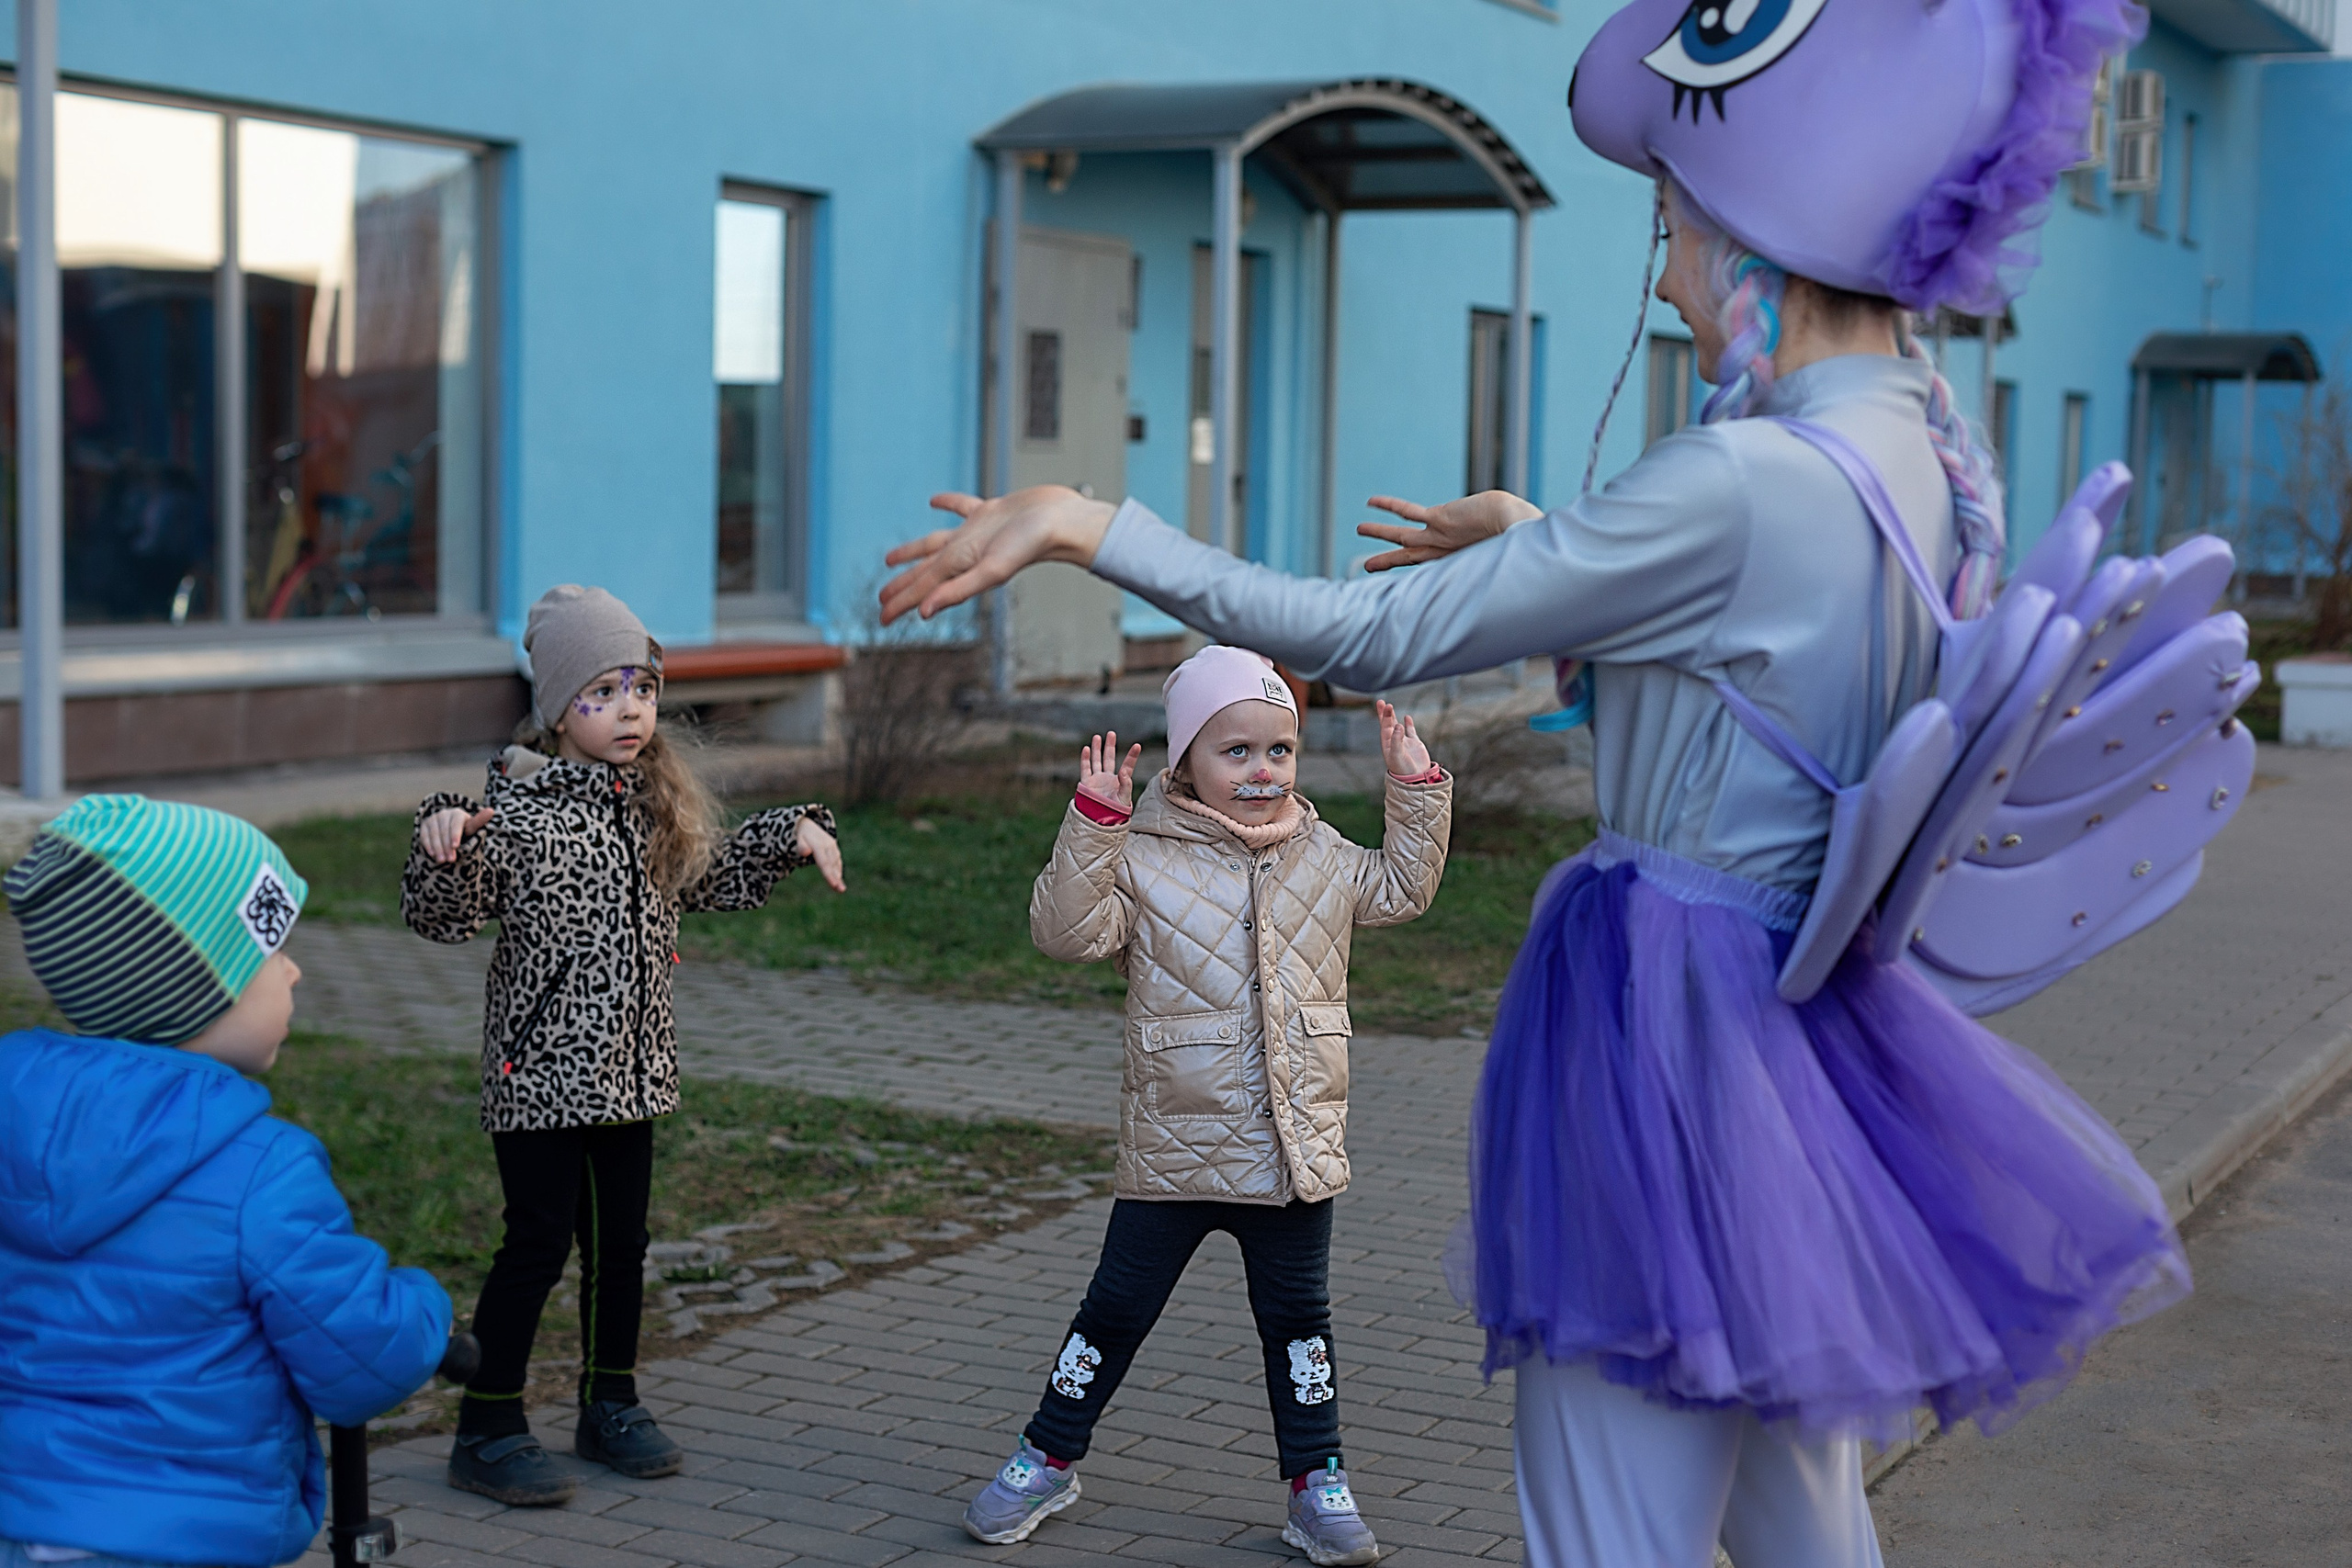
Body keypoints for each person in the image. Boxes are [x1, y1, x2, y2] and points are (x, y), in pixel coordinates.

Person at [878, 0, 2181, 1558]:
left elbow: (1363, 629)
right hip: (1795, 1041)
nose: (1671, 270)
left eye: (1677, 228)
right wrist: (1546, 547)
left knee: (1609, 1513)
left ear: (1759, 240)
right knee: (1795, 1504)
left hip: (1672, 1038)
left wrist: (1098, 525)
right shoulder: (1919, 449)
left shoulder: (1745, 479)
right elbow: (1751, 667)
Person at [961, 647, 1451, 1565]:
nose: (1262, 772)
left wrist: (1415, 788)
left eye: (1279, 750)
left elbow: (1402, 888)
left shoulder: (1323, 855)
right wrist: (1095, 824)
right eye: (1236, 752)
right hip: (1174, 1151)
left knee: (1299, 1324)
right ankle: (1048, 1453)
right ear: (1186, 761)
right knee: (1110, 1313)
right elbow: (1064, 934)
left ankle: (1318, 1483)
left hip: (1291, 1150)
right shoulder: (1140, 862)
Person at [402, 583, 846, 1507]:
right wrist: (440, 840)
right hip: (541, 1082)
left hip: (632, 1076)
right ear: (558, 712)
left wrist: (791, 834)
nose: (627, 711)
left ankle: (611, 1403)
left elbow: (708, 877)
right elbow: (440, 917)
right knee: (536, 1245)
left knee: (620, 1247)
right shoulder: (515, 817)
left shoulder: (649, 810)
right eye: (600, 694)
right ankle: (487, 1422)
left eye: (638, 689)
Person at [0, 795, 453, 1568]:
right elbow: (362, 1359)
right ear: (195, 989)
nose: (295, 969)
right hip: (182, 1535)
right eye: (272, 953)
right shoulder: (259, 1171)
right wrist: (424, 1305)